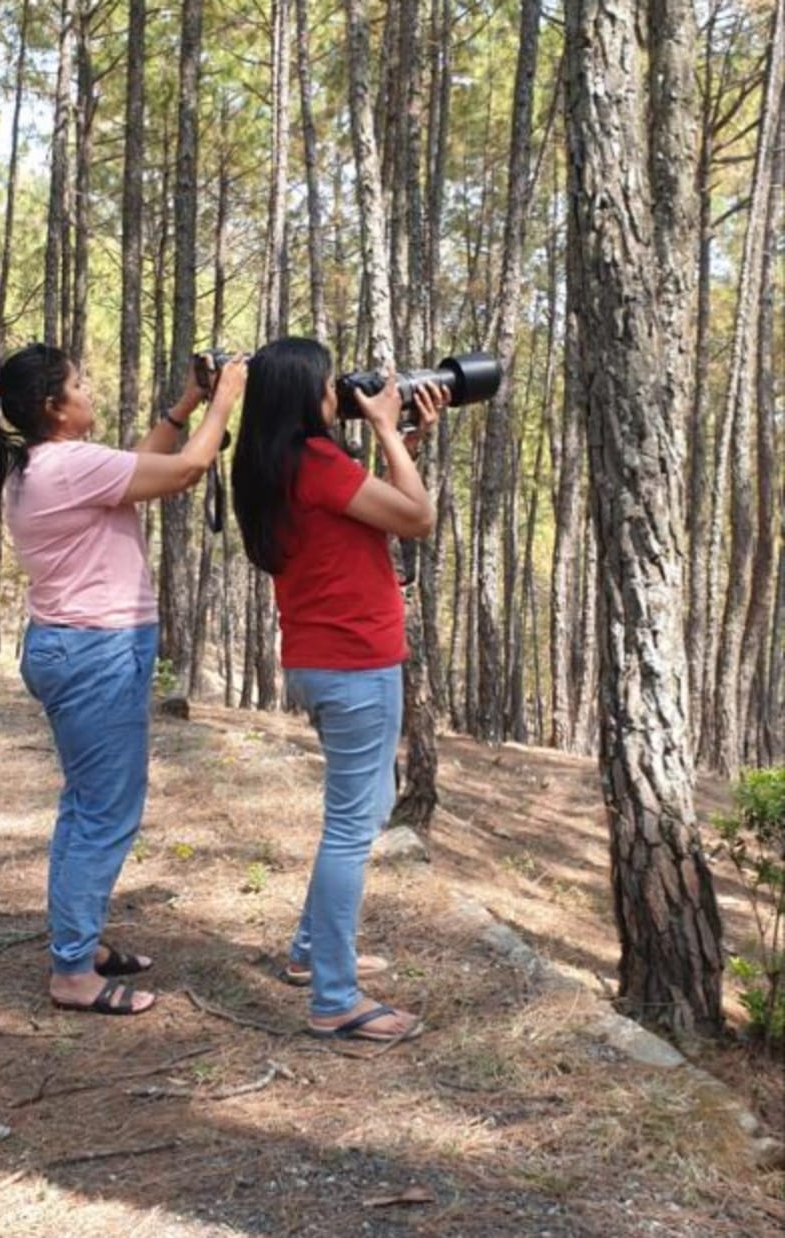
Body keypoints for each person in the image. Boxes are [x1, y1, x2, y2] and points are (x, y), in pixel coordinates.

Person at [0, 342, 247, 1016]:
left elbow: (144, 467)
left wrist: (188, 403)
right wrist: (226, 397)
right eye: (80, 384)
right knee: (104, 814)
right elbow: (186, 470)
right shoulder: (68, 467)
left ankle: (79, 942)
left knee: (84, 807)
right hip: (96, 655)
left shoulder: (44, 464)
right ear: (54, 407)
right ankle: (72, 973)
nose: (89, 391)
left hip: (73, 648)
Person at [231, 337, 439, 1043]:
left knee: (365, 809)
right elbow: (417, 518)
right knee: (352, 828)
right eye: (329, 386)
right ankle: (335, 998)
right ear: (304, 397)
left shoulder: (275, 462)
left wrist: (403, 440)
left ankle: (311, 951)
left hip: (321, 660)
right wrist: (385, 428)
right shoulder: (318, 461)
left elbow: (375, 509)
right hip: (355, 664)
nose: (337, 396)